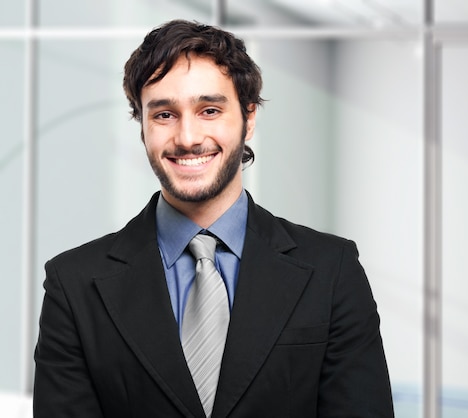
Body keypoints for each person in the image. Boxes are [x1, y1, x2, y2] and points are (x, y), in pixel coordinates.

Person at [33, 19, 394, 418]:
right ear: (142, 126)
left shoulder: (332, 269)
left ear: (249, 118)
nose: (187, 137)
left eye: (209, 110)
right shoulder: (74, 284)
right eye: (164, 115)